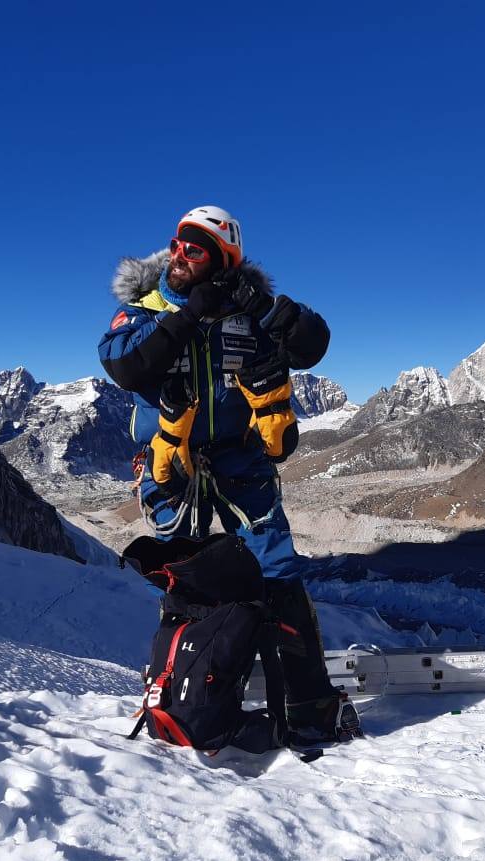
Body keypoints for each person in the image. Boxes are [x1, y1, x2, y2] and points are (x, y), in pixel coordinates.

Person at [98, 205, 358, 743]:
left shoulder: (250, 309)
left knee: (277, 572)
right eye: (177, 244)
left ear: (223, 260)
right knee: (184, 576)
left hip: (243, 459)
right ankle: (178, 698)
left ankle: (309, 703)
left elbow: (313, 343)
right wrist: (188, 314)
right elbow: (127, 367)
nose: (179, 255)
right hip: (173, 462)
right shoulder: (146, 306)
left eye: (195, 249)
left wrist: (265, 308)